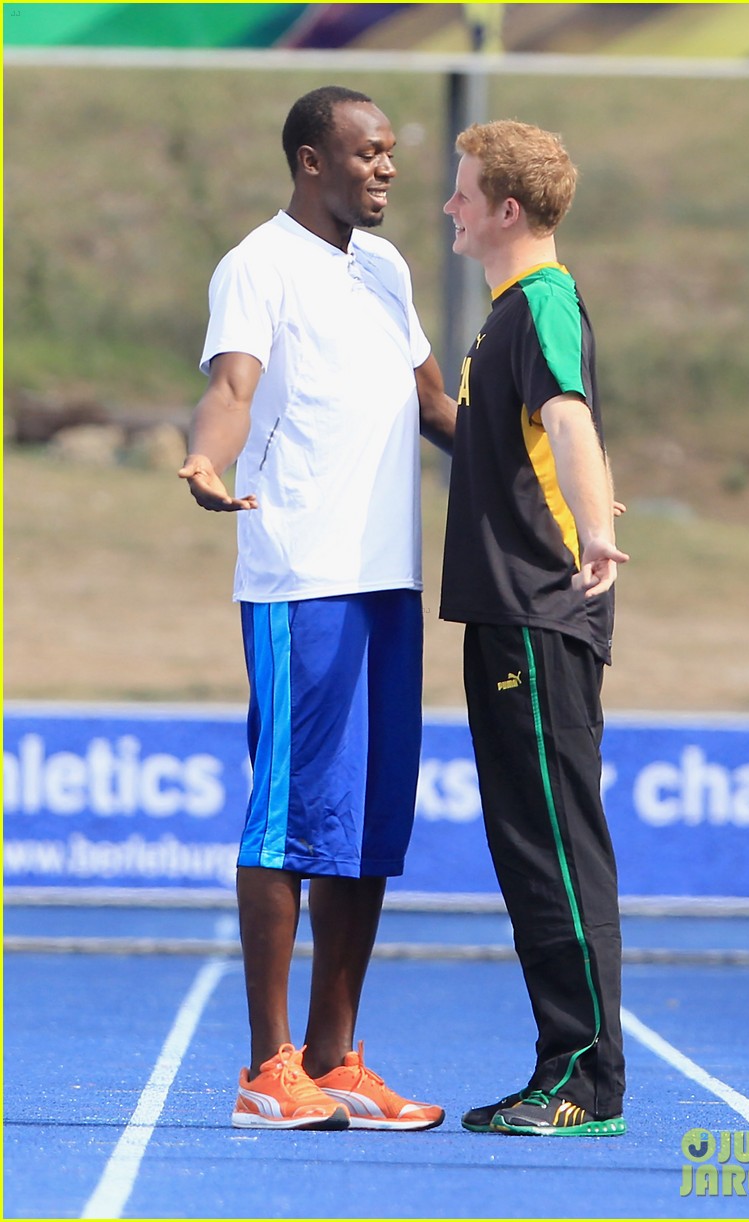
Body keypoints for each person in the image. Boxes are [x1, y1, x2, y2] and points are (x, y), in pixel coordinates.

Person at [179, 85, 455, 1132]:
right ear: (310, 161)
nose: (385, 167)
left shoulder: (384, 269)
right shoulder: (257, 265)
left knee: (369, 825)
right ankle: (267, 1063)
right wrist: (210, 453)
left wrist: (541, 472)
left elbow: (435, 409)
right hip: (303, 581)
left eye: (390, 151)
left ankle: (338, 1057)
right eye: (366, 152)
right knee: (289, 814)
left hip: (389, 582)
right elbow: (234, 387)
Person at [439, 119, 629, 1136]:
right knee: (527, 849)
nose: (448, 207)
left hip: (539, 615)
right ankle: (561, 1061)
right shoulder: (505, 317)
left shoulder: (543, 304)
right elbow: (496, 443)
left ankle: (589, 1082)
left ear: (507, 209)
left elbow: (567, 420)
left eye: (462, 192)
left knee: (556, 847)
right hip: (503, 614)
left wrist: (595, 530)